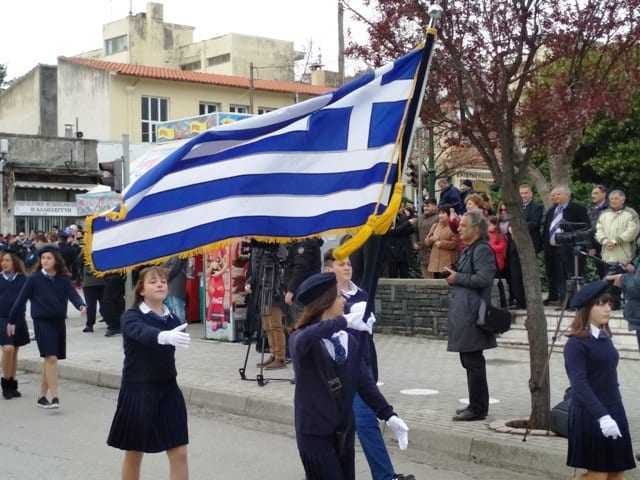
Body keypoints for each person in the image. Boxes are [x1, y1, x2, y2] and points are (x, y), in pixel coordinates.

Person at [289, 272, 409, 480]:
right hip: (314, 432)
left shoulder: (348, 341)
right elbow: (306, 337)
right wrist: (343, 322)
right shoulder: (301, 339)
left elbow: (364, 383)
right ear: (324, 303)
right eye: (338, 296)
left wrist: (388, 414)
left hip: (343, 430)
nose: (344, 300)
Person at [107, 266, 191, 480]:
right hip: (138, 389)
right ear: (141, 290)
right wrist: (163, 336)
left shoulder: (172, 318)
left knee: (179, 452)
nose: (161, 284)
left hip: (168, 389)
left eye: (163, 280)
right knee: (135, 452)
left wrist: (170, 333)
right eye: (153, 281)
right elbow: (141, 333)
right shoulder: (131, 316)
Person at [564, 281, 636, 478]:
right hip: (591, 413)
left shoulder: (604, 337)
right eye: (601, 303)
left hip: (614, 408)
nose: (608, 308)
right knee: (598, 474)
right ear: (587, 308)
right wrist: (602, 417)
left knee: (617, 473)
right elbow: (579, 385)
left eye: (610, 304)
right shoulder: (575, 343)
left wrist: (614, 411)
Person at [9, 246, 86, 409]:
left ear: (56, 260)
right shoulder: (34, 279)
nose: (45, 261)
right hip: (42, 323)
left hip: (58, 322)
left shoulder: (63, 280)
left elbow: (73, 296)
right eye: (43, 258)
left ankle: (42, 397)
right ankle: (55, 397)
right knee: (51, 358)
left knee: (50, 360)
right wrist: (11, 321)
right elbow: (20, 301)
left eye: (49, 258)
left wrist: (81, 306)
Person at [444, 210, 497, 421]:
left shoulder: (482, 249)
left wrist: (458, 277)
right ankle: (475, 403)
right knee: (468, 360)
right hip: (465, 312)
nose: (460, 228)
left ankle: (478, 408)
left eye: (464, 225)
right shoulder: (470, 249)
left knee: (473, 361)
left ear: (476, 229)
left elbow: (484, 278)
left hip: (474, 314)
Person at [542, 186, 590, 306]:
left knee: (570, 274)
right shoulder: (552, 210)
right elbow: (546, 229)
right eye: (553, 195)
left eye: (558, 194)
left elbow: (585, 227)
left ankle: (573, 302)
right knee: (558, 275)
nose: (555, 197)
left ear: (567, 195)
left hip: (570, 249)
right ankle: (563, 300)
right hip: (553, 248)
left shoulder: (577, 209)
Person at [248, 241, 288, 369]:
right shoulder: (256, 246)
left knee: (275, 324)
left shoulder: (275, 243)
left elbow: (282, 262)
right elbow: (255, 267)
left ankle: (280, 358)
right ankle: (274, 354)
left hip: (272, 288)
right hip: (261, 288)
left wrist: (278, 287)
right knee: (266, 325)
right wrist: (250, 280)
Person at [0, 252, 29, 399]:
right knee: (8, 349)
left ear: (15, 262)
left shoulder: (23, 279)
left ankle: (12, 383)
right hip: (2, 318)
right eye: (2, 260)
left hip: (18, 319)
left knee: (15, 351)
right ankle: (5, 383)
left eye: (7, 260)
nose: (4, 263)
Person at [595, 190, 639, 268]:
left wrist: (614, 241)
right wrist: (605, 241)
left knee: (623, 279)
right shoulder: (604, 214)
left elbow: (632, 231)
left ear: (623, 200)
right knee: (606, 279)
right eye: (611, 199)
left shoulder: (631, 213)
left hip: (625, 258)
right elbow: (599, 230)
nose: (613, 201)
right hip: (606, 257)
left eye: (616, 198)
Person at [425, 206, 458, 279]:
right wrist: (431, 239)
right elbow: (427, 241)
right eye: (439, 213)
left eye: (443, 213)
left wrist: (442, 243)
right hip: (434, 264)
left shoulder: (452, 227)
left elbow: (455, 244)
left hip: (447, 263)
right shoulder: (435, 225)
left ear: (449, 215)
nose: (440, 215)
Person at [488, 216, 508, 308]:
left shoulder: (499, 235)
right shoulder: (486, 234)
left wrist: (490, 247)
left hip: (498, 261)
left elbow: (502, 247)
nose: (489, 225)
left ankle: (502, 302)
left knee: (498, 282)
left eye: (491, 224)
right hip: (488, 261)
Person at [519, 184, 544, 254]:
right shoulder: (516, 207)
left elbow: (534, 223)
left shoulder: (537, 207)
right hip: (517, 243)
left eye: (526, 193)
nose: (523, 195)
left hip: (531, 242)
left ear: (531, 194)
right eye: (521, 193)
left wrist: (516, 227)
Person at [418, 199, 439, 278]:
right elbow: (413, 230)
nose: (425, 208)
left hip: (435, 252)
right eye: (424, 206)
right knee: (426, 279)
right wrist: (414, 242)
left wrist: (430, 241)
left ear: (435, 206)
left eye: (428, 206)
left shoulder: (438, 217)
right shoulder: (421, 218)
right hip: (423, 252)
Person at [81, 263, 105, 333]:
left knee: (91, 305)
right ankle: (110, 322)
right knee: (104, 302)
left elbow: (78, 264)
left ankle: (90, 325)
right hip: (101, 281)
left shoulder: (84, 255)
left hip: (89, 283)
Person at [164, 256, 188, 322]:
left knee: (178, 311)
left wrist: (162, 275)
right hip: (171, 285)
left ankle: (180, 331)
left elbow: (174, 268)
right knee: (173, 310)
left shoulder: (179, 252)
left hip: (175, 285)